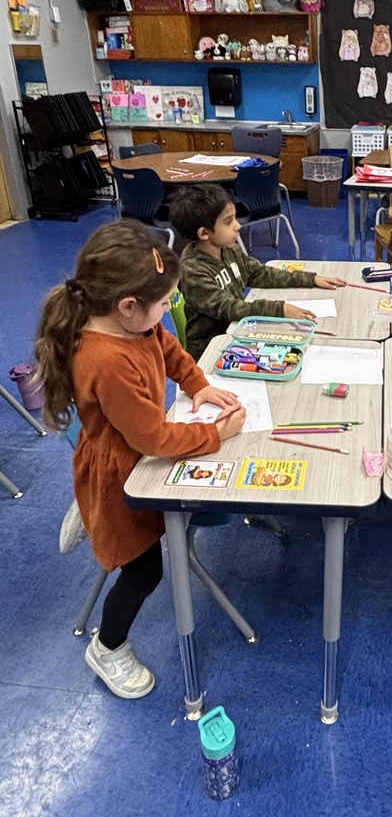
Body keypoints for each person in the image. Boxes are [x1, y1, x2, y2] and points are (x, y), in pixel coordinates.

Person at [35, 220, 246, 698]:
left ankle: (88, 509)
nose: (168, 312)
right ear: (128, 307)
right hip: (119, 471)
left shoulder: (135, 324)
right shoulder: (105, 361)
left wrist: (199, 384)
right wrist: (214, 433)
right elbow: (151, 437)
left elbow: (169, 350)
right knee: (143, 568)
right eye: (165, 304)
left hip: (128, 451)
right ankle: (107, 648)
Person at [169, 184, 347, 360]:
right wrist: (279, 309)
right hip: (212, 350)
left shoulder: (228, 249)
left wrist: (310, 279)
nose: (238, 226)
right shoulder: (193, 271)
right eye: (228, 221)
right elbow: (230, 308)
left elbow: (258, 273)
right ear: (204, 233)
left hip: (238, 334)